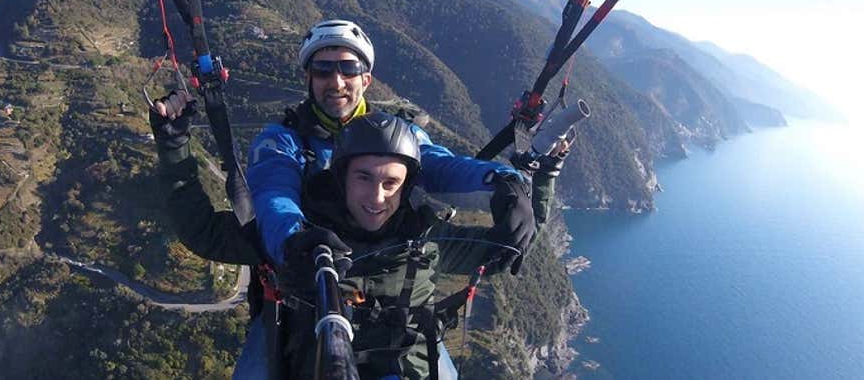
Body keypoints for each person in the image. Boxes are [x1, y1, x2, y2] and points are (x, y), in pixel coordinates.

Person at [149, 95, 568, 379]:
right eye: (363, 178)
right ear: (341, 178)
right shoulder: (297, 239)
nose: (376, 196)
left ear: (407, 188)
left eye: (391, 183)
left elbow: (510, 246)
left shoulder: (425, 241)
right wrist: (174, 149)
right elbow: (204, 232)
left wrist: (534, 188)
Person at [247, 20, 533, 270]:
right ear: (308, 79)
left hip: (392, 282)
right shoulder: (282, 141)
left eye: (349, 69)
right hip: (315, 283)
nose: (336, 82)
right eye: (323, 70)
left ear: (366, 80)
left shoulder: (399, 135)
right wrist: (293, 241)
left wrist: (504, 183)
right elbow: (274, 194)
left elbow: (439, 166)